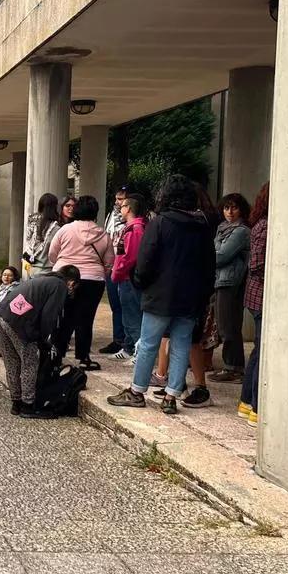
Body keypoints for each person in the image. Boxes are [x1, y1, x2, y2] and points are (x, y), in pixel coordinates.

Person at [108, 175, 214, 415]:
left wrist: (141, 282)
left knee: (148, 343)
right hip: (190, 296)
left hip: (160, 294)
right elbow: (209, 264)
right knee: (181, 344)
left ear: (165, 195)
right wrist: (203, 295)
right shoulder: (202, 226)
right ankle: (171, 396)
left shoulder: (160, 223)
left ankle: (137, 391)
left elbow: (145, 260)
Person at [0, 266, 80, 417]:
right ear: (71, 283)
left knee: (12, 362)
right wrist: (42, 339)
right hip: (19, 324)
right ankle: (28, 406)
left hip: (0, 316)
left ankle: (16, 403)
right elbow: (49, 316)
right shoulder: (60, 286)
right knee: (30, 363)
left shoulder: (43, 279)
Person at [48, 195, 115, 370]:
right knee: (86, 319)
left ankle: (56, 355)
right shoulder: (104, 235)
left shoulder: (65, 230)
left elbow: (52, 254)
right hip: (93, 280)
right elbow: (109, 262)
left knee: (63, 317)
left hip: (66, 277)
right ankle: (84, 357)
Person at [208, 193, 251, 384]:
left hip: (231, 282)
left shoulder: (241, 231)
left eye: (234, 208)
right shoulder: (222, 228)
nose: (230, 212)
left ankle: (234, 368)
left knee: (229, 325)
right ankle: (230, 366)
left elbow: (220, 256)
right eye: (226, 208)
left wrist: (215, 250)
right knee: (224, 324)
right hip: (220, 280)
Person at [239, 183, 268, 427]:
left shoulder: (258, 225)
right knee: (261, 351)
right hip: (261, 296)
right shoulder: (265, 227)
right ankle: (255, 406)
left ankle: (247, 401)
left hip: (255, 296)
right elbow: (257, 265)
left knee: (258, 350)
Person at [110, 195, 147, 359]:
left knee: (132, 315)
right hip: (126, 277)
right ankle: (129, 347)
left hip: (128, 278)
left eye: (123, 205)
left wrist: (116, 272)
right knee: (128, 314)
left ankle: (138, 352)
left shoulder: (134, 229)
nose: (120, 208)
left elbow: (128, 257)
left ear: (129, 208)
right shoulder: (134, 228)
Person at [100, 188, 130, 356]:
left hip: (124, 267)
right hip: (111, 265)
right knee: (115, 305)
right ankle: (118, 339)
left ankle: (128, 341)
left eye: (122, 199)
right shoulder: (111, 215)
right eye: (117, 198)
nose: (118, 202)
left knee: (126, 305)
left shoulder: (135, 219)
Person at [23, 193, 62, 277]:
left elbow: (28, 241)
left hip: (30, 267)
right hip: (46, 270)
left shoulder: (32, 220)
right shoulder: (55, 228)